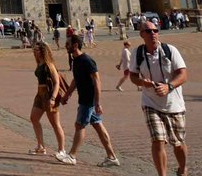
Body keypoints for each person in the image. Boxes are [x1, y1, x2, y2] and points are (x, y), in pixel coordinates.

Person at [129, 20, 189, 176]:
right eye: (148, 31)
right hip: (151, 103)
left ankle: (182, 170)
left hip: (174, 104)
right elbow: (133, 76)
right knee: (157, 140)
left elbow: (183, 74)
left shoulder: (170, 50)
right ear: (141, 34)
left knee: (178, 143)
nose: (153, 33)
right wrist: (142, 82)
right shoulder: (138, 53)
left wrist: (169, 86)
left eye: (155, 30)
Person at [55, 35, 119, 166]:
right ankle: (112, 157)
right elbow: (75, 80)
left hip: (88, 100)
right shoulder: (75, 60)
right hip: (85, 99)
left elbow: (97, 82)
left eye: (68, 43)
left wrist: (97, 103)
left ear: (75, 45)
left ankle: (72, 156)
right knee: (98, 126)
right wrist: (67, 94)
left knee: (80, 126)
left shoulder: (87, 60)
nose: (65, 46)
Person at [28, 41, 67, 159]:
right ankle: (41, 146)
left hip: (49, 95)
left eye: (37, 50)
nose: (35, 52)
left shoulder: (49, 64)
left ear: (43, 51)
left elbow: (56, 82)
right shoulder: (39, 63)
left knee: (55, 124)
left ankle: (62, 150)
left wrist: (53, 98)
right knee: (34, 118)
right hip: (40, 94)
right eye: (34, 50)